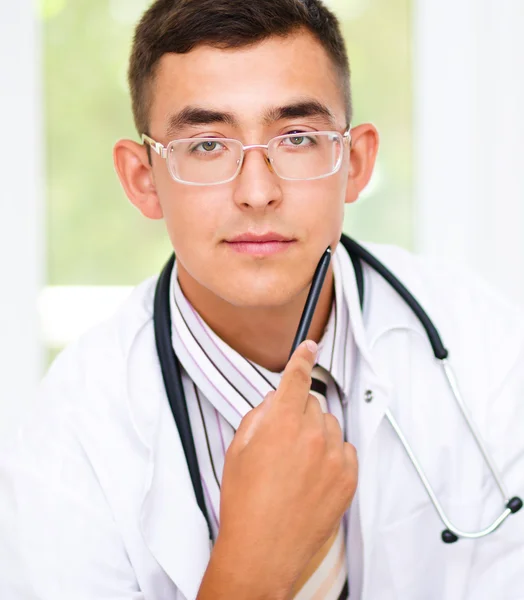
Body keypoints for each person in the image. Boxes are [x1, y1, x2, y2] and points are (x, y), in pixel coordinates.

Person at [1, 0, 523, 598]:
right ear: (143, 180)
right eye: (206, 146)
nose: (256, 192)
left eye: (297, 138)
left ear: (354, 163)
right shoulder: (69, 440)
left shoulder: (491, 356)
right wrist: (250, 570)